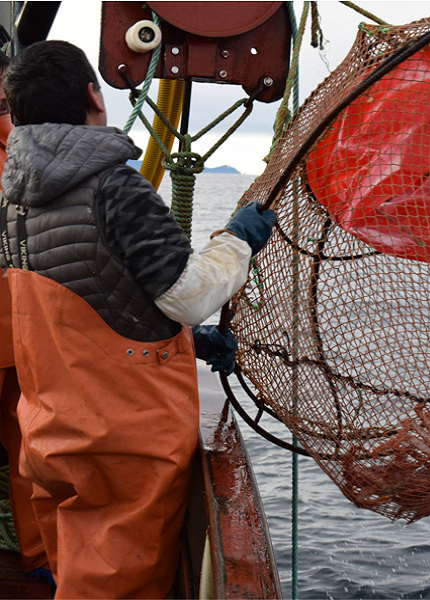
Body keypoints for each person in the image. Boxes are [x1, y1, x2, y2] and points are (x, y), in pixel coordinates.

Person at [0, 40, 276, 598]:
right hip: (122, 447)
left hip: (50, 433)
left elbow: (88, 296)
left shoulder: (13, 200)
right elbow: (190, 295)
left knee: (69, 566)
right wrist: (237, 240)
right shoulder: (115, 187)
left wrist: (185, 340)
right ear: (92, 95)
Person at [0, 49, 51, 581]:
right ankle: (42, 558)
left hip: (21, 327)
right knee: (30, 447)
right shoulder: (26, 142)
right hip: (23, 326)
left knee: (31, 448)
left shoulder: (22, 143)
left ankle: (43, 556)